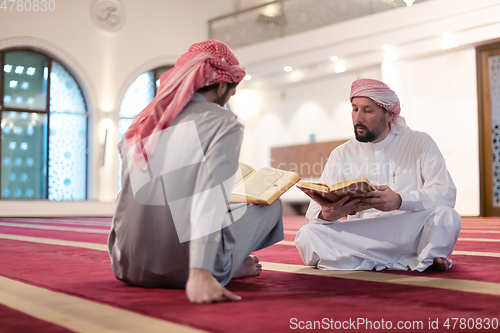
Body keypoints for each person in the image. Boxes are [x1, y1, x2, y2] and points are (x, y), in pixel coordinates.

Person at [108, 40, 283, 304]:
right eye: (232, 89)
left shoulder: (144, 124)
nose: (232, 96)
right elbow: (208, 198)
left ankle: (223, 263)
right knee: (270, 205)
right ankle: (224, 267)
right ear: (222, 85)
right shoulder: (223, 122)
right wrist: (200, 272)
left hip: (127, 266)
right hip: (184, 271)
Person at [295, 78, 461, 272]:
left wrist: (400, 201)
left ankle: (368, 260)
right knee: (307, 235)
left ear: (389, 114)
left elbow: (445, 193)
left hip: (407, 228)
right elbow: (314, 214)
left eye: (367, 110)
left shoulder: (419, 142)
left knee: (447, 217)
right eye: (355, 109)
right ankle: (416, 257)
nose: (358, 118)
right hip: (363, 233)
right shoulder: (341, 153)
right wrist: (328, 214)